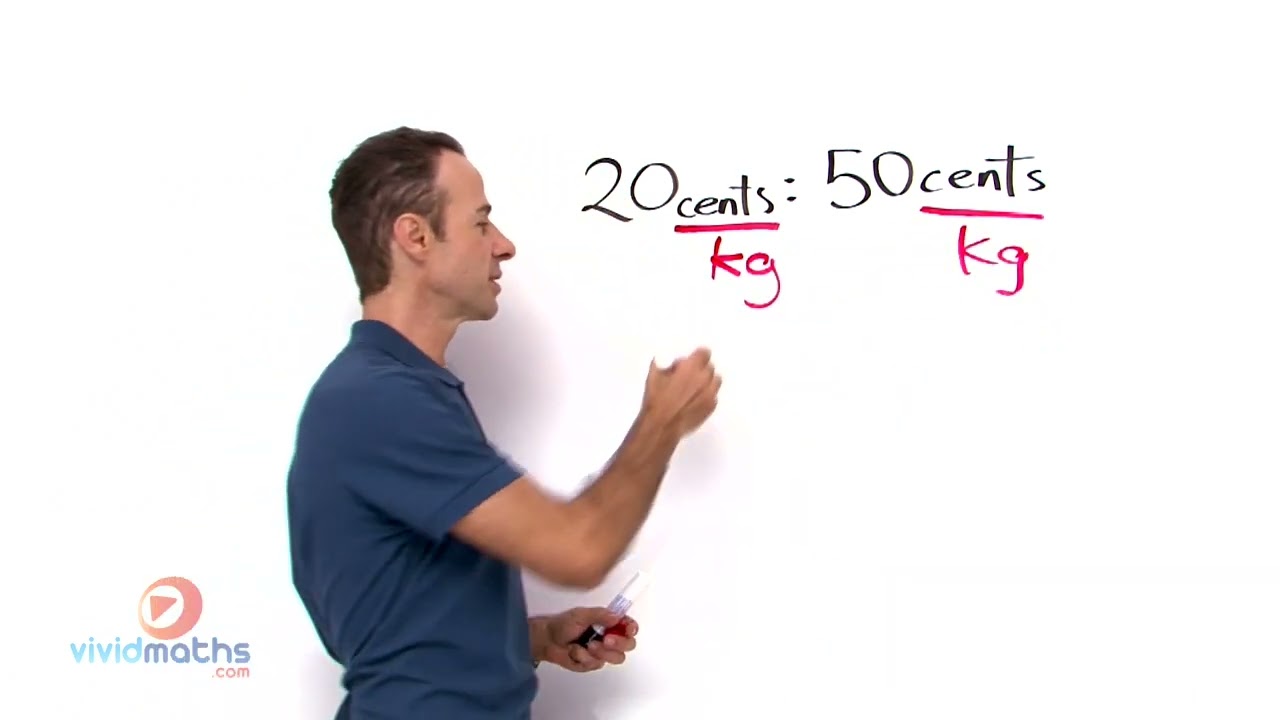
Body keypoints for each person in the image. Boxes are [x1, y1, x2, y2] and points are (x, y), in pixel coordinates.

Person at [285, 127, 722, 719]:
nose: (504, 245)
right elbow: (580, 550)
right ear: (415, 237)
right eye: (481, 222)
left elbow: (401, 618)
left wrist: (533, 638)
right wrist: (662, 422)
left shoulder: (401, 390)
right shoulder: (379, 400)